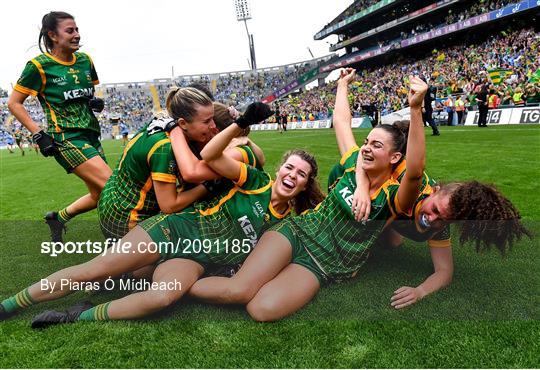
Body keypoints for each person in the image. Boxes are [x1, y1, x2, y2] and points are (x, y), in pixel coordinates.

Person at [188, 69, 530, 321]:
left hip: (327, 259)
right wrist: (343, 86)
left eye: (375, 145)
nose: (434, 218)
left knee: (261, 308)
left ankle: (255, 270)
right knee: (240, 290)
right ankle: (182, 285)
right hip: (308, 226)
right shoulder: (366, 162)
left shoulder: (404, 197)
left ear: (395, 157)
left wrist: (416, 108)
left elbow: (412, 170)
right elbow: (343, 124)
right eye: (367, 142)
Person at [0, 102, 324, 327]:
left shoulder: (286, 224)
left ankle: (75, 315)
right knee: (93, 270)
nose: (292, 176)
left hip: (197, 258)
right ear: (279, 169)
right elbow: (219, 155)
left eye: (301, 174)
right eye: (290, 168)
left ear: (306, 185)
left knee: (162, 298)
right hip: (173, 230)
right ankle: (8, 306)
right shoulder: (254, 180)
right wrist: (241, 126)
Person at [98, 89, 265, 241]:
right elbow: (170, 204)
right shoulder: (165, 146)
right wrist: (209, 186)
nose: (212, 126)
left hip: (113, 203)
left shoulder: (164, 127)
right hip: (127, 218)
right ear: (183, 123)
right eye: (207, 122)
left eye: (212, 120)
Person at [7, 11, 111, 242]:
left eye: (77, 30)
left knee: (98, 194)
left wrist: (96, 102)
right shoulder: (39, 66)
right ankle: (124, 246)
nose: (77, 35)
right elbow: (14, 103)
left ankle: (58, 218)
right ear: (53, 35)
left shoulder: (85, 60)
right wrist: (38, 134)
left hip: (92, 135)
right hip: (66, 138)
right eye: (70, 30)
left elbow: (88, 93)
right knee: (113, 187)